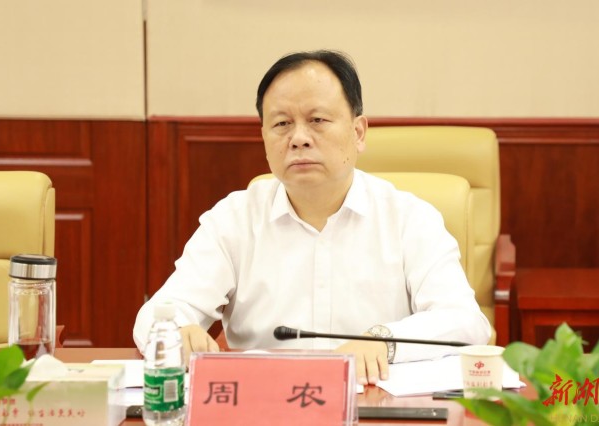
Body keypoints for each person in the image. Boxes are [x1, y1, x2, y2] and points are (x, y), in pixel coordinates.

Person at [133, 50, 491, 385]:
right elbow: (159, 312)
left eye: (317, 120)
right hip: (265, 404)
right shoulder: (233, 220)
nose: (299, 138)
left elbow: (465, 322)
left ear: (358, 132)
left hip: (375, 402)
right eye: (282, 124)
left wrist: (384, 341)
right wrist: (176, 332)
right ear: (264, 137)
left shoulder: (410, 218)